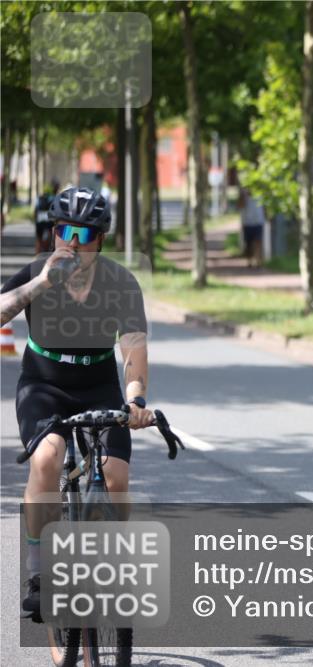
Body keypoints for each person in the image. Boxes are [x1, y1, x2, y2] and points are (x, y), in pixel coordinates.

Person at [0, 185, 155, 620]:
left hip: (98, 385)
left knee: (116, 474)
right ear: (53, 233)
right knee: (47, 458)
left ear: (100, 240)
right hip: (43, 384)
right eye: (64, 231)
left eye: (84, 235)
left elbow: (133, 352)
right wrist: (39, 284)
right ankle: (38, 574)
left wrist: (136, 398)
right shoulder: (35, 271)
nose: (73, 242)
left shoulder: (121, 283)